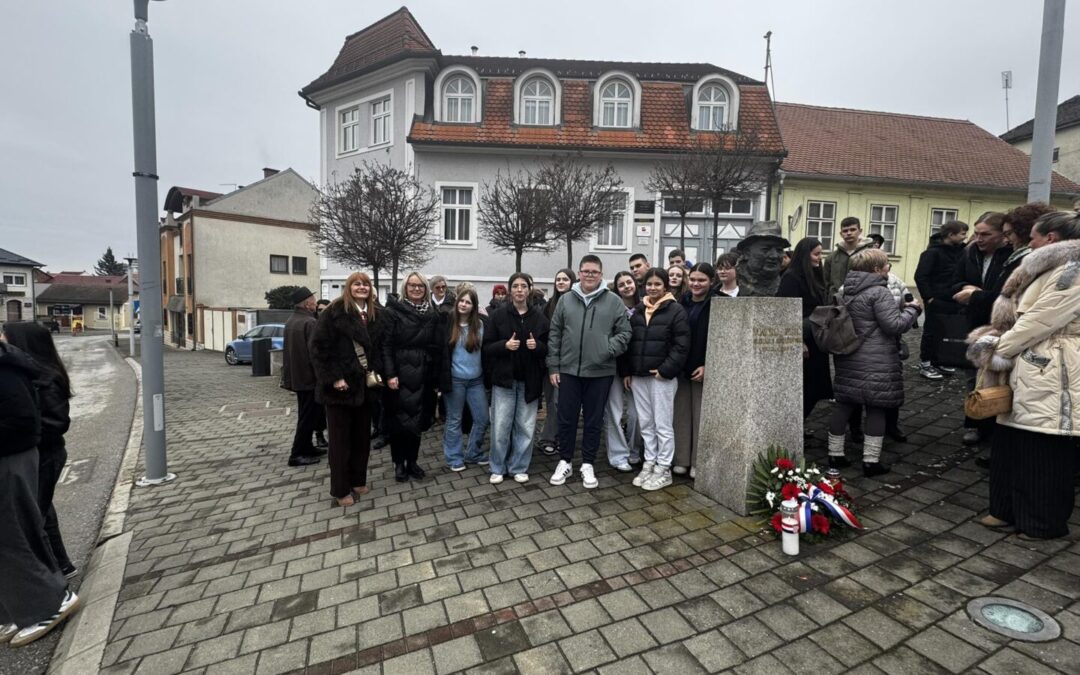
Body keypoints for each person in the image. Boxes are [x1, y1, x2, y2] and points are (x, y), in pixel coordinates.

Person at [969, 211, 1080, 539]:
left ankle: (1042, 521)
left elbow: (1040, 320)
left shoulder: (1072, 271)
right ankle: (1006, 508)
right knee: (1012, 441)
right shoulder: (1043, 267)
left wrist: (997, 348)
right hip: (1027, 363)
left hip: (1051, 365)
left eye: (1033, 236)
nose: (1025, 240)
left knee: (1042, 447)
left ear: (1051, 238)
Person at [0, 340, 80, 647]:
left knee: (15, 534)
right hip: (17, 456)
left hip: (14, 458)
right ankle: (15, 610)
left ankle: (48, 603)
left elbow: (28, 421)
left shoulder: (7, 369)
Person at [827, 248, 921, 476]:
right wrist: (913, 310)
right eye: (887, 264)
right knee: (876, 407)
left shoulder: (845, 291)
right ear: (877, 269)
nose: (889, 268)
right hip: (876, 359)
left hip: (848, 356)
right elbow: (895, 325)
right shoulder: (879, 293)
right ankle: (870, 461)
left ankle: (835, 455)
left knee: (844, 404)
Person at [547, 255, 632, 488]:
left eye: (594, 271)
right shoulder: (565, 300)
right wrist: (554, 366)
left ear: (601, 274)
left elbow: (625, 333)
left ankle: (588, 463)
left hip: (600, 371)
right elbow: (555, 335)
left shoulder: (613, 301)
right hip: (569, 370)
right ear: (580, 273)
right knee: (567, 418)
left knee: (594, 420)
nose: (590, 275)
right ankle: (565, 461)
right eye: (586, 271)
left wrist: (607, 349)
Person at [1, 322, 76, 578]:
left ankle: (49, 578)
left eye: (4, 335)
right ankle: (61, 565)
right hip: (40, 455)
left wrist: (25, 437)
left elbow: (57, 422)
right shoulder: (33, 373)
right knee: (42, 513)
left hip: (44, 456)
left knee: (34, 518)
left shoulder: (45, 377)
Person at [310, 272, 382, 506]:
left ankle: (358, 479)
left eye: (365, 284)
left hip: (364, 387)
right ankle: (340, 489)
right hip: (340, 388)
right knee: (340, 443)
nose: (362, 287)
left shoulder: (373, 313)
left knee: (362, 438)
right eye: (357, 284)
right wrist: (334, 378)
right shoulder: (334, 311)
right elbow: (318, 347)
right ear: (348, 287)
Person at [625, 268, 690, 490]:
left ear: (666, 286)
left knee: (663, 424)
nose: (653, 288)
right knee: (646, 422)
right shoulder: (639, 309)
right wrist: (628, 371)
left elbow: (681, 345)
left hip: (661, 377)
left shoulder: (675, 310)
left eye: (657, 284)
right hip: (639, 376)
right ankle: (649, 462)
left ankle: (664, 467)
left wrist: (665, 370)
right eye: (649, 284)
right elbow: (630, 343)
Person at [951, 212, 1011, 446]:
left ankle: (997, 426)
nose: (979, 238)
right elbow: (954, 281)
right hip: (974, 324)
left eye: (986, 234)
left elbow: (1006, 295)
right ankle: (973, 422)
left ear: (1002, 235)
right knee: (972, 377)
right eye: (976, 233)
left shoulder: (1010, 257)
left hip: (1000, 326)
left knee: (999, 378)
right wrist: (964, 287)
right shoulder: (970, 253)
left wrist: (977, 295)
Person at [484, 273, 549, 484]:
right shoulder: (498, 316)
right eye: (516, 286)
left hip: (529, 381)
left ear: (529, 289)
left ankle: (519, 467)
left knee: (526, 426)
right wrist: (504, 346)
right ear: (510, 290)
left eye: (523, 286)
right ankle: (497, 467)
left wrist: (537, 346)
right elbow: (486, 348)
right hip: (504, 381)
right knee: (500, 426)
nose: (520, 290)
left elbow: (548, 348)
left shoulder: (539, 318)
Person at [382, 272, 444, 482]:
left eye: (421, 286)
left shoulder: (432, 313)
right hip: (400, 372)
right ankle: (399, 463)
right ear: (405, 288)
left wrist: (435, 376)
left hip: (423, 373)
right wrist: (390, 373)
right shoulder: (392, 312)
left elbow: (436, 346)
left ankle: (413, 462)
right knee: (399, 422)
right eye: (412, 286)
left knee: (418, 421)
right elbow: (386, 345)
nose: (417, 289)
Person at [776, 238, 833, 422]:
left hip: (815, 337)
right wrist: (797, 341)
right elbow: (784, 312)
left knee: (815, 388)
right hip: (803, 340)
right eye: (816, 254)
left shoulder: (816, 274)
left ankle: (797, 425)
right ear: (804, 254)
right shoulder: (791, 278)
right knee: (806, 388)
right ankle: (792, 427)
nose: (819, 258)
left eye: (820, 254)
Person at [673, 263, 718, 476]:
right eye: (692, 279)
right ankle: (681, 458)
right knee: (681, 415)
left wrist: (709, 365)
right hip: (682, 367)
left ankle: (698, 462)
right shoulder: (681, 302)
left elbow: (723, 340)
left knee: (700, 416)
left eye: (701, 280)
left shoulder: (720, 303)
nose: (696, 284)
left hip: (704, 368)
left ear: (711, 281)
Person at [440, 287, 489, 471]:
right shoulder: (448, 324)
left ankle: (473, 453)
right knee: (454, 420)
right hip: (455, 380)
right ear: (457, 302)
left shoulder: (481, 325)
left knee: (483, 418)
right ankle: (454, 458)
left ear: (474, 306)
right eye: (462, 300)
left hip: (476, 380)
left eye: (468, 302)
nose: (464, 304)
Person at [913, 220, 969, 380]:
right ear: (951, 235)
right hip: (936, 300)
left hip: (953, 299)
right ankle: (926, 363)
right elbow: (921, 276)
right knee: (931, 331)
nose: (965, 237)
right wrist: (929, 298)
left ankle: (941, 360)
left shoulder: (962, 251)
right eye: (962, 234)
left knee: (948, 330)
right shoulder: (932, 253)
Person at [281, 287, 326, 468]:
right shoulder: (310, 322)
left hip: (297, 377)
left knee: (306, 415)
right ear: (308, 304)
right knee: (307, 417)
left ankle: (307, 447)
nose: (316, 304)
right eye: (314, 301)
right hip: (309, 379)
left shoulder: (292, 321)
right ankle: (297, 454)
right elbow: (316, 353)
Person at [537, 269, 575, 456]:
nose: (561, 282)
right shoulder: (548, 306)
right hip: (551, 361)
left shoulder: (577, 303)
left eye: (565, 279)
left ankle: (557, 437)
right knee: (552, 401)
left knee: (564, 402)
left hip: (570, 361)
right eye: (558, 279)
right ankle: (548, 437)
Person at [607, 271, 643, 472]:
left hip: (637, 369)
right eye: (621, 284)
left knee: (637, 415)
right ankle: (617, 454)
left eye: (629, 282)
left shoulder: (646, 306)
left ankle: (634, 450)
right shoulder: (612, 308)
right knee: (614, 412)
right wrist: (624, 370)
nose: (626, 286)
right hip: (615, 368)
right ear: (617, 289)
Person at [823, 217, 874, 298]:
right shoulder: (831, 258)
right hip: (835, 303)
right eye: (845, 231)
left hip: (861, 303)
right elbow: (825, 284)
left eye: (853, 229)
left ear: (860, 231)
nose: (849, 233)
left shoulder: (870, 255)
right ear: (841, 234)